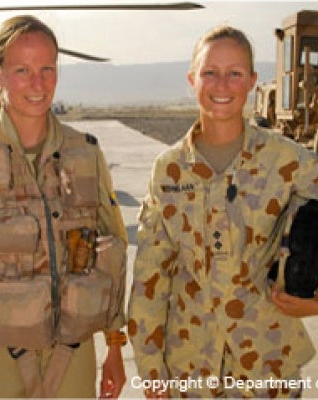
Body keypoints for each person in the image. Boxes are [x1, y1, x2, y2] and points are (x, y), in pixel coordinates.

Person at [0, 15, 127, 398]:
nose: (38, 83)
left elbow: (112, 247)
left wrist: (115, 345)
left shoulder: (85, 152)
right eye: (22, 70)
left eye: (47, 69)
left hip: (72, 351)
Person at [128, 25, 318, 398]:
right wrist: (151, 370)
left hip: (268, 367)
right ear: (191, 80)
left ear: (251, 81)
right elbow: (151, 276)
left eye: (234, 73)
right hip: (189, 369)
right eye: (209, 72)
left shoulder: (291, 161)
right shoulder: (169, 170)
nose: (222, 85)